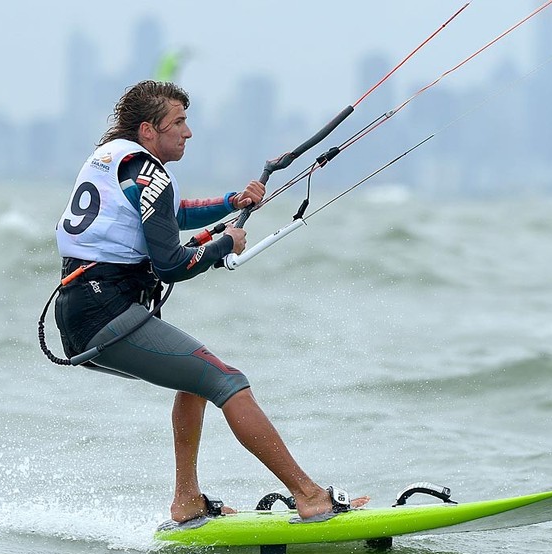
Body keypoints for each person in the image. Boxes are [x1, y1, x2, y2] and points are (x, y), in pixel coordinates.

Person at [53, 80, 368, 524]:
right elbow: (171, 266)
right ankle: (309, 495)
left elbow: (172, 215)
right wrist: (224, 244)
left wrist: (230, 202)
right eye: (178, 123)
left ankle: (187, 502)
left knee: (195, 380)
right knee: (227, 381)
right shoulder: (150, 174)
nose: (188, 132)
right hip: (107, 311)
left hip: (82, 309)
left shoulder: (112, 158)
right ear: (148, 130)